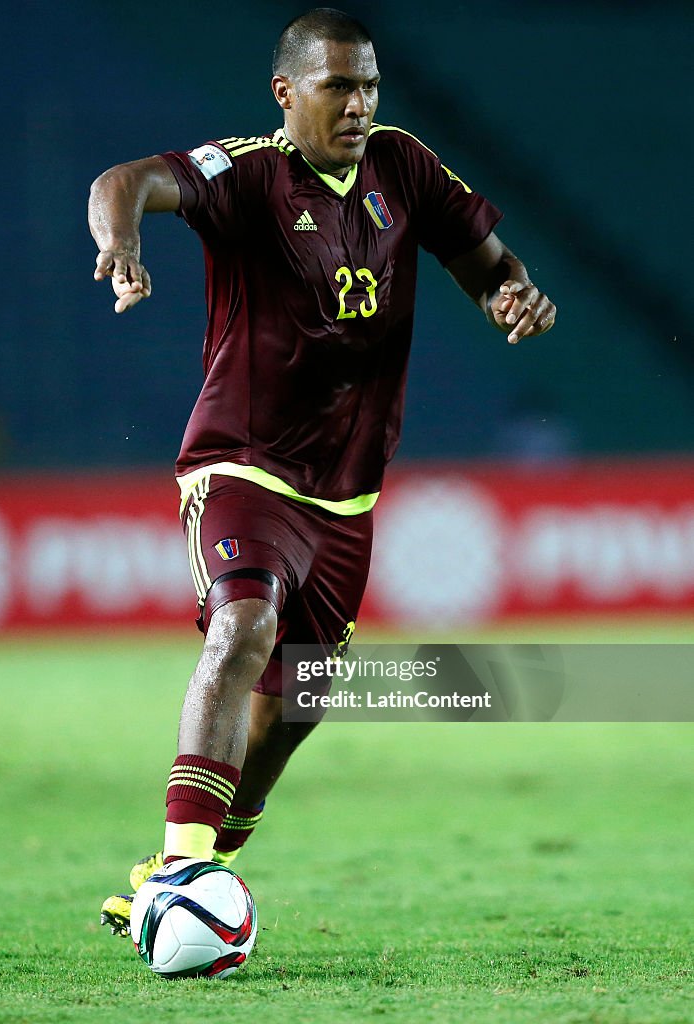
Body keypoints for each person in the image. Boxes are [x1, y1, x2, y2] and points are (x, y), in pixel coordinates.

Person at [89, 7, 556, 936]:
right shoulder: (250, 176)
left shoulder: (402, 165)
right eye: (338, 85)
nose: (359, 104)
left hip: (348, 493)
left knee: (297, 701)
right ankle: (181, 870)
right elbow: (125, 179)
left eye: (370, 84)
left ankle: (200, 862)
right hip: (243, 467)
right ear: (286, 92)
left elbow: (483, 259)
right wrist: (122, 241)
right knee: (244, 624)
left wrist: (509, 289)